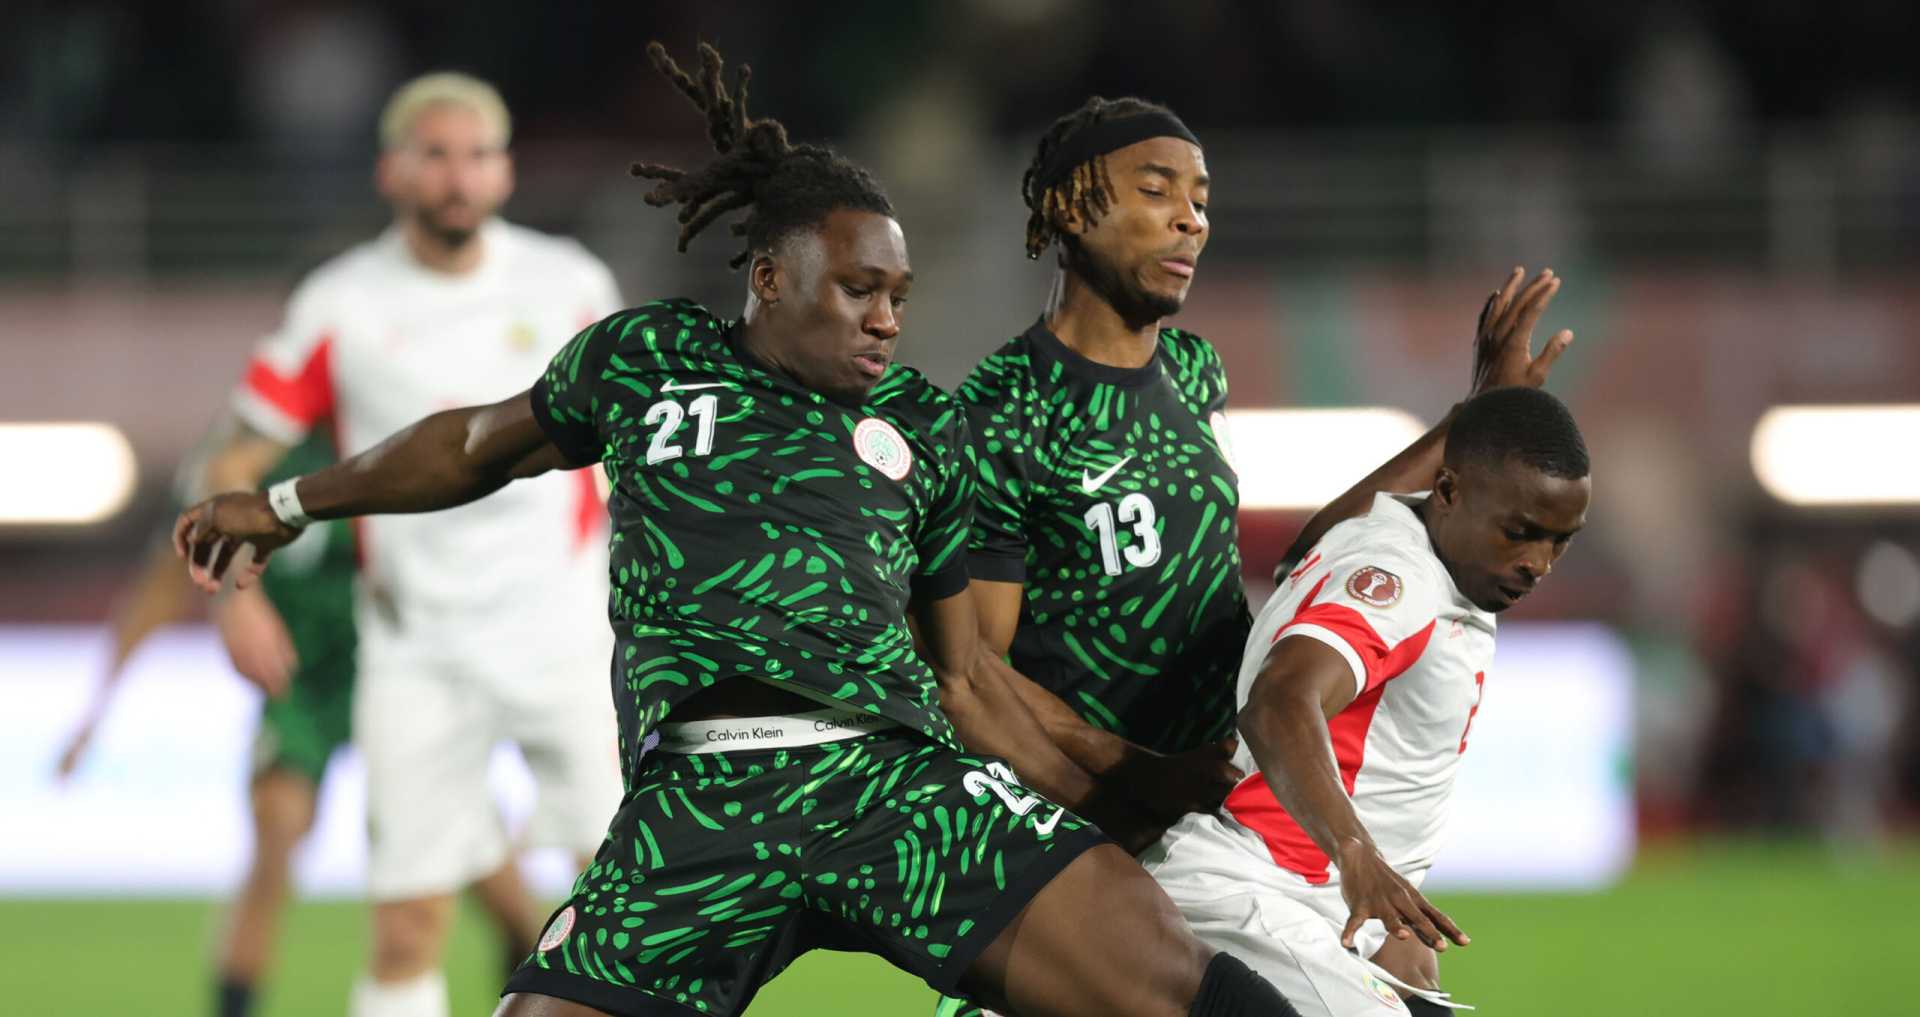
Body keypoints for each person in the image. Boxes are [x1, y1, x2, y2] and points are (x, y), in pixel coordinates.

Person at [175, 42, 1305, 1017]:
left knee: (1174, 980)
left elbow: (969, 678)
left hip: (891, 783)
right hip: (699, 806)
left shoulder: (924, 425)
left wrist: (1141, 790)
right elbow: (472, 445)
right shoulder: (649, 359)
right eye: (859, 289)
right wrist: (285, 504)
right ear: (770, 275)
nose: (887, 320)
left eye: (899, 296)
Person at [939, 92, 1572, 1017]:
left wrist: (1470, 423)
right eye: (1156, 189)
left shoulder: (1195, 372)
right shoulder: (1003, 412)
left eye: (1200, 197)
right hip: (1091, 829)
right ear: (1071, 206)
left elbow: (1316, 555)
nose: (1190, 218)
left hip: (1217, 823)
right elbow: (974, 675)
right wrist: (1130, 769)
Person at [188, 71, 626, 1017]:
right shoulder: (340, 303)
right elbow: (235, 458)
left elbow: (635, 450)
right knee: (406, 928)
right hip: (417, 647)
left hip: (567, 636)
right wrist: (236, 599)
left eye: (479, 155)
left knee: (624, 906)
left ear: (506, 172)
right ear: (391, 170)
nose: (458, 177)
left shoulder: (571, 285)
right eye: (436, 155)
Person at [56, 431, 547, 1017]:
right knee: (276, 827)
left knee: (485, 869)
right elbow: (165, 583)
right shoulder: (241, 454)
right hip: (297, 679)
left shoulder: (389, 427)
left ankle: (535, 977)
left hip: (396, 668)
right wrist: (95, 710)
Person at [1141, 386, 1592, 1016]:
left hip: (1340, 905)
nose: (1538, 562)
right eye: (1520, 533)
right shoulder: (1403, 583)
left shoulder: (1402, 540)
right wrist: (1356, 853)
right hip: (1262, 887)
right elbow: (1279, 700)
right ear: (1448, 491)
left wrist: (1468, 413)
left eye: (1560, 540)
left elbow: (1304, 553)